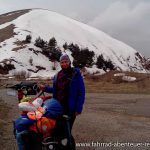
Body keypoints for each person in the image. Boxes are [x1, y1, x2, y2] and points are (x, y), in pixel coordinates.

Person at [42, 53, 85, 131]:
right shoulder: (58, 75)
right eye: (62, 62)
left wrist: (78, 108)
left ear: (69, 62)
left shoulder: (76, 74)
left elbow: (81, 93)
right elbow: (56, 90)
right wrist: (45, 88)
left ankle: (69, 143)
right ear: (60, 63)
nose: (64, 64)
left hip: (70, 108)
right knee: (57, 128)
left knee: (67, 130)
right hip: (58, 105)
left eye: (66, 61)